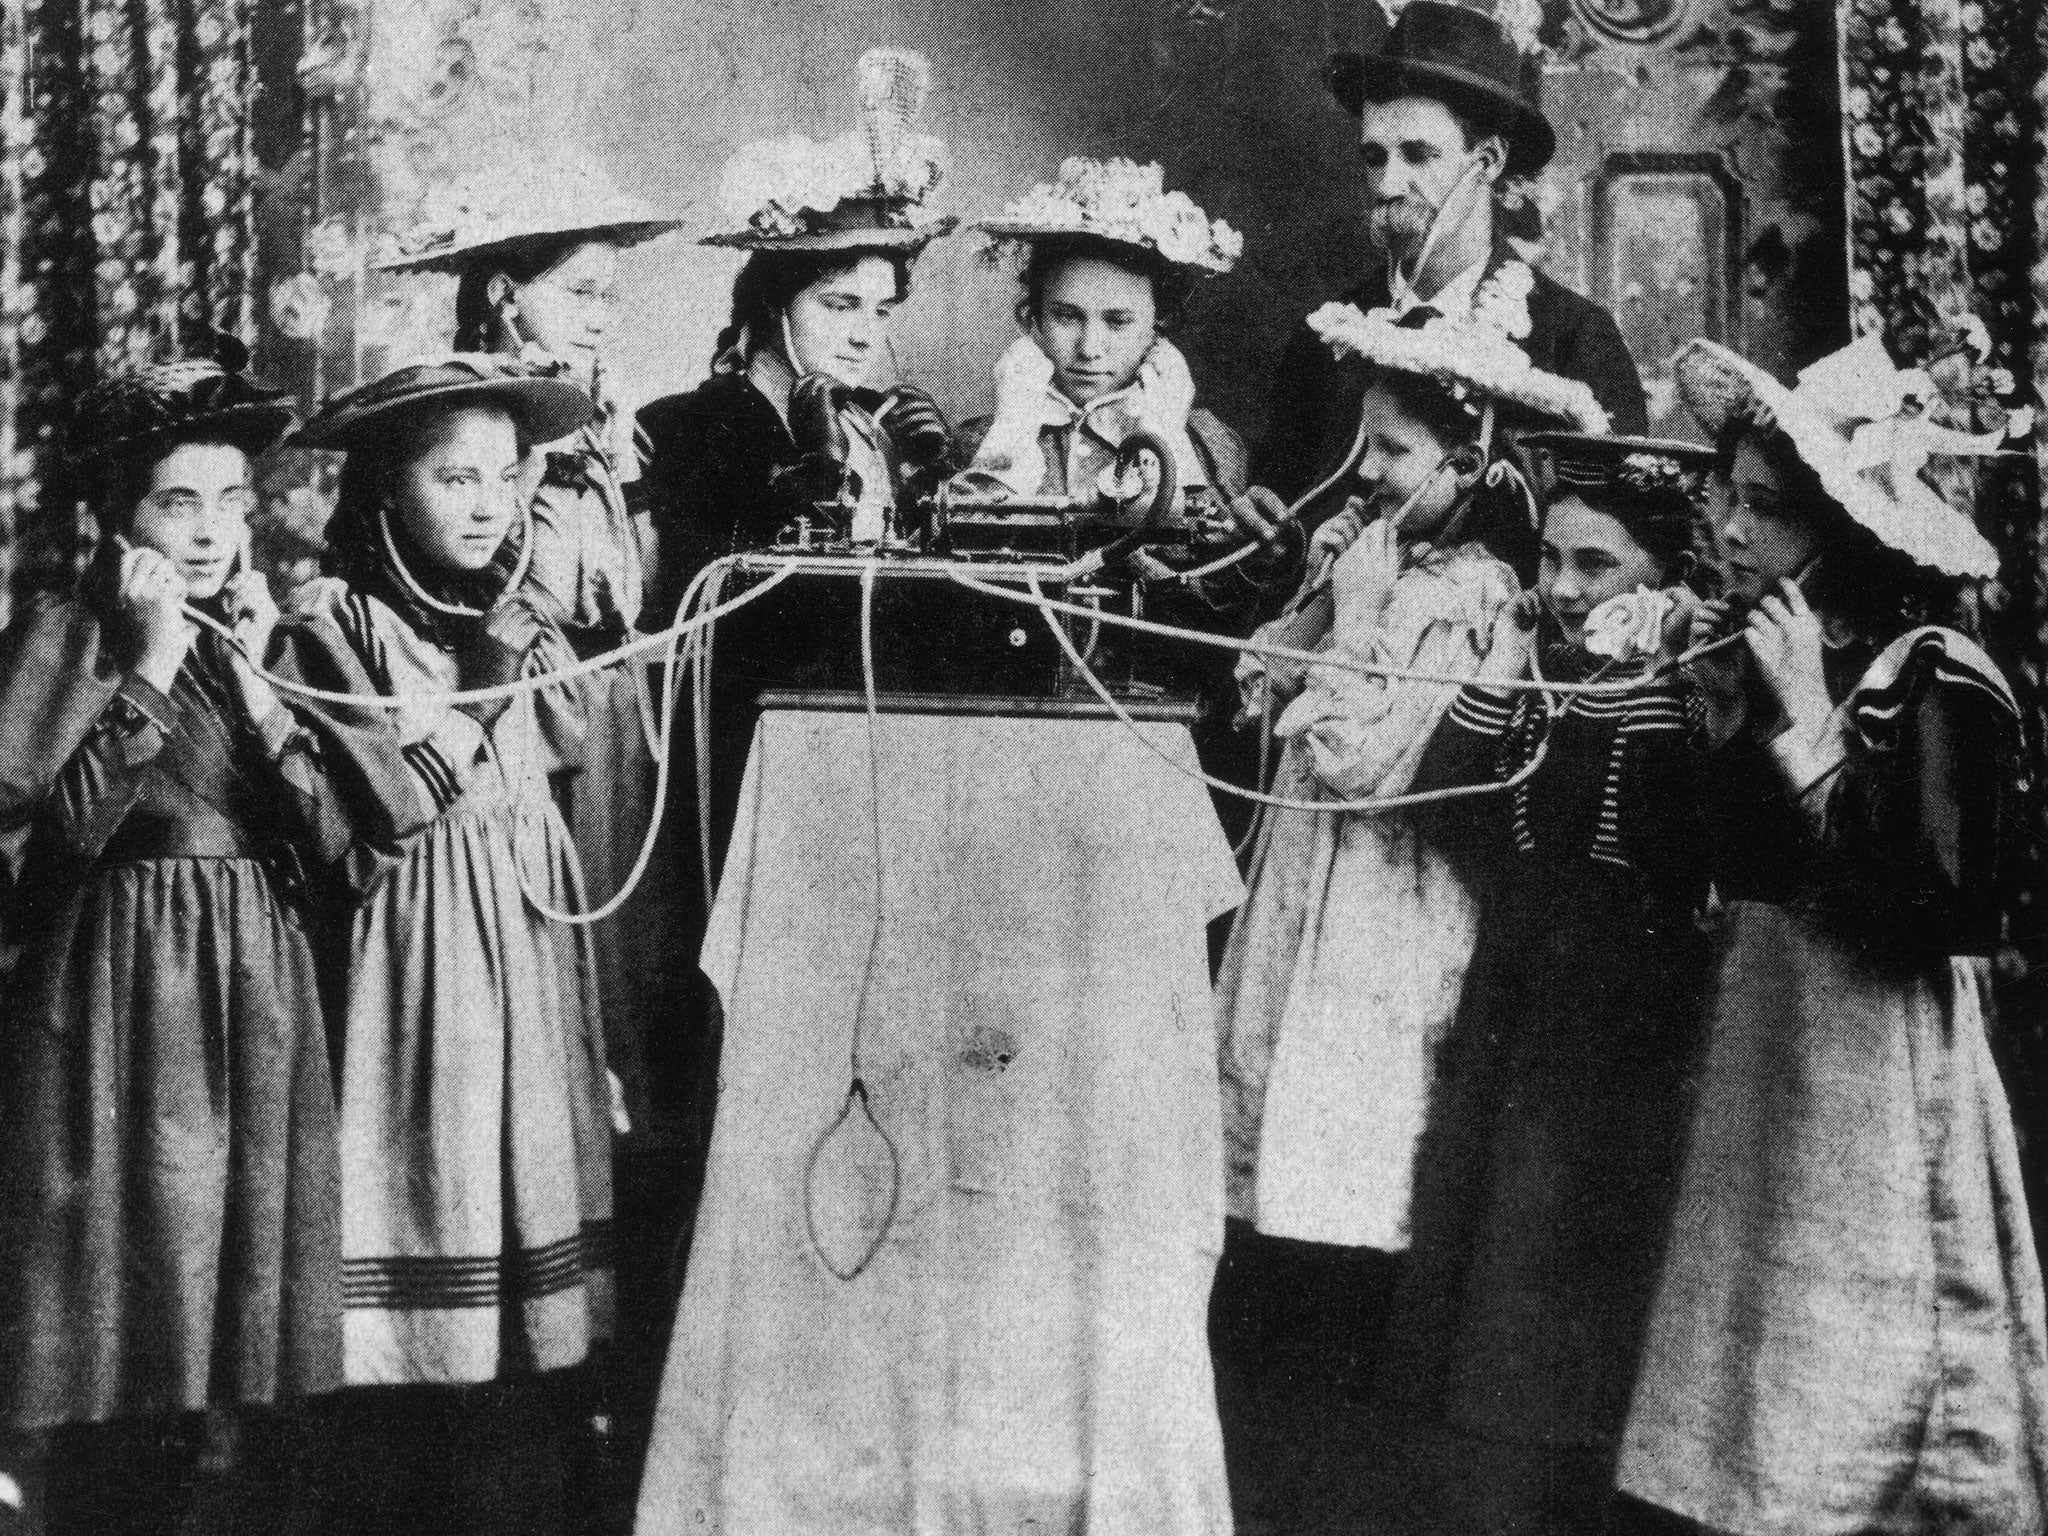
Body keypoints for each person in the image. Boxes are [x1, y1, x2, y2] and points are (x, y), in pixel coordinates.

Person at [1619, 331, 2048, 1536]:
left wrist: (1807, 726)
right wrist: (1705, 725)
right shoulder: (1768, 647)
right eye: (1725, 499)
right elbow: (1716, 873)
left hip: (1874, 1053)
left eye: (1760, 508)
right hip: (1775, 1048)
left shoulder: (1934, 671)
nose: (1728, 530)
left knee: (1876, 1320)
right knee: (1761, 1321)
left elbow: (1943, 904)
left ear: (1843, 526)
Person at [1209, 301, 1607, 1528]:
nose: (1363, 473)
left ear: (1473, 463)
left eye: (1390, 453)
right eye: (1363, 446)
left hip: (1387, 910)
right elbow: (1255, 681)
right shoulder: (1375, 558)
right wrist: (1331, 599)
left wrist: (1369, 615)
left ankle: (1347, 1460)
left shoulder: (1477, 595)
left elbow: (1367, 763)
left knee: (1354, 1163)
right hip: (1307, 892)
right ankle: (1275, 1449)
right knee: (1272, 1160)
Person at [0, 346, 352, 1531]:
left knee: (239, 1297)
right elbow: (51, 843)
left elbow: (332, 842)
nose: (209, 533)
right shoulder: (68, 631)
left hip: (252, 978)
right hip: (121, 982)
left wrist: (255, 686)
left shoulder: (257, 638)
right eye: (177, 502)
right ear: (119, 513)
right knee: (130, 1273)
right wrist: (148, 664)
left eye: (231, 504)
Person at [1347, 432, 1715, 1536]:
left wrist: (1670, 683)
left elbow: (1683, 847)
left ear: (1660, 576)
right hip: (1508, 997)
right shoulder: (1535, 666)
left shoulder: (1694, 686)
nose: (1558, 588)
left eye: (1593, 566)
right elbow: (1443, 805)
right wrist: (1503, 669)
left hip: (1627, 1020)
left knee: (1569, 1277)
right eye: (1550, 559)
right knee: (1478, 1259)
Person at [275, 356, 613, 1535]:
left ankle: (514, 1468)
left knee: (522, 1185)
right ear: (383, 494)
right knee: (431, 1183)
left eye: (504, 479)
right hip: (416, 950)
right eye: (452, 478)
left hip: (517, 934)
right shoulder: (335, 620)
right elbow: (394, 797)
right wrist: (483, 675)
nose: (486, 505)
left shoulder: (512, 616)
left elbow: (560, 765)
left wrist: (526, 649)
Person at [378, 155, 682, 1140]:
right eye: (580, 293)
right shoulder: (473, 428)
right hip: (521, 710)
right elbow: (484, 587)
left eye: (609, 296)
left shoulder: (600, 415)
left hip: (610, 702)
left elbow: (634, 580)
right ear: (507, 296)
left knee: (632, 971)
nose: (600, 314)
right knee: (552, 959)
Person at [961, 155, 1297, 833]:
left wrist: (1255, 557)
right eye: (1066, 316)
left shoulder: (1202, 447)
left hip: (1161, 744)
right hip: (1012, 742)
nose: (1089, 346)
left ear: (1156, 326)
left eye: (1118, 322)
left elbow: (1224, 628)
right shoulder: (987, 445)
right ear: (1031, 318)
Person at [1258, 0, 1647, 504]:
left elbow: (1610, 546)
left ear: (1486, 162)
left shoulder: (1572, 339)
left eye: (1418, 155)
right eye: (1375, 157)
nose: (1388, 184)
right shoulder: (1327, 339)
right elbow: (1281, 520)